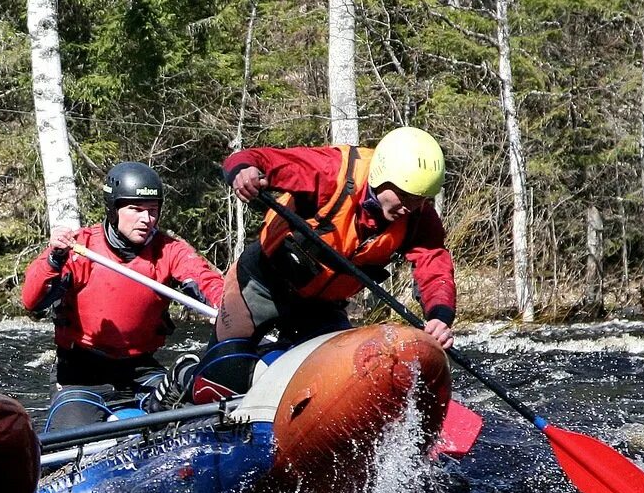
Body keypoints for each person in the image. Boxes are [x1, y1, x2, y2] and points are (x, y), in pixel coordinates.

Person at [192, 126, 458, 403]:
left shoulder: (418, 216)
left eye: (419, 200)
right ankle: (183, 387)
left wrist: (439, 316)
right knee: (223, 369)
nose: (410, 208)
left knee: (343, 380)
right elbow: (256, 159)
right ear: (382, 176)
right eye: (405, 197)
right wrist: (244, 170)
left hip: (322, 307)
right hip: (263, 283)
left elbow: (434, 263)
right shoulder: (331, 171)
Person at [22, 162, 225, 429]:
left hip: (141, 371)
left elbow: (205, 280)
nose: (146, 219)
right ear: (114, 210)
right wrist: (54, 260)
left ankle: (163, 411)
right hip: (81, 374)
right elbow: (32, 301)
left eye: (153, 211)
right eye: (136, 210)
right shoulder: (79, 248)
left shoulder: (168, 250)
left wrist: (225, 306)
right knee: (66, 448)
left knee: (199, 410)